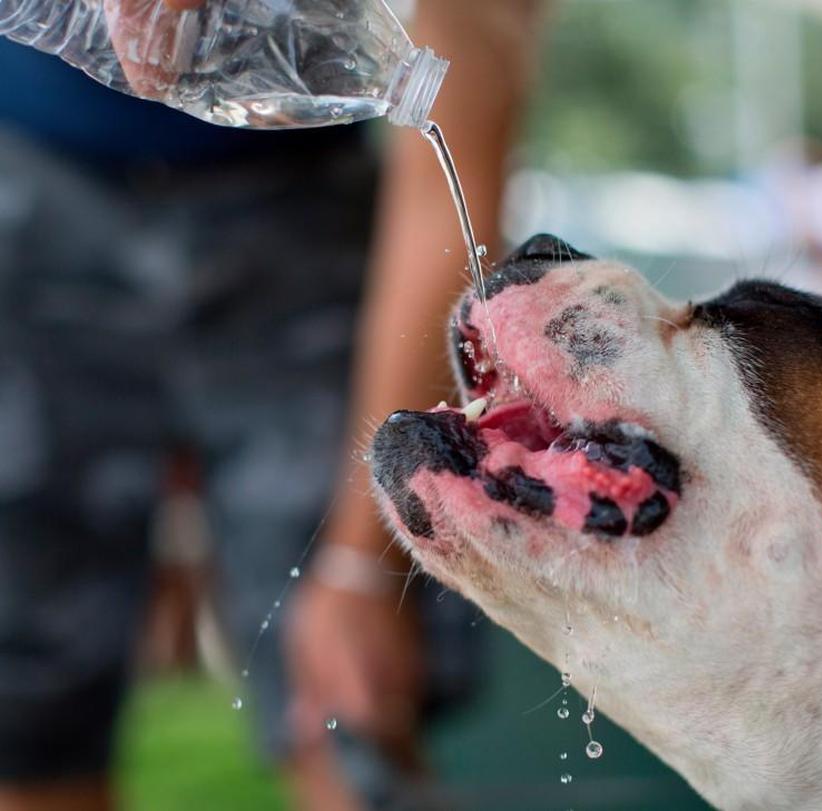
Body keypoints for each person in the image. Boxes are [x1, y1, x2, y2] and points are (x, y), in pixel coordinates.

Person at [0, 1, 543, 809]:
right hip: (29, 187)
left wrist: (363, 561)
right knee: (28, 719)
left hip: (298, 211)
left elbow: (449, 176)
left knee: (351, 711)